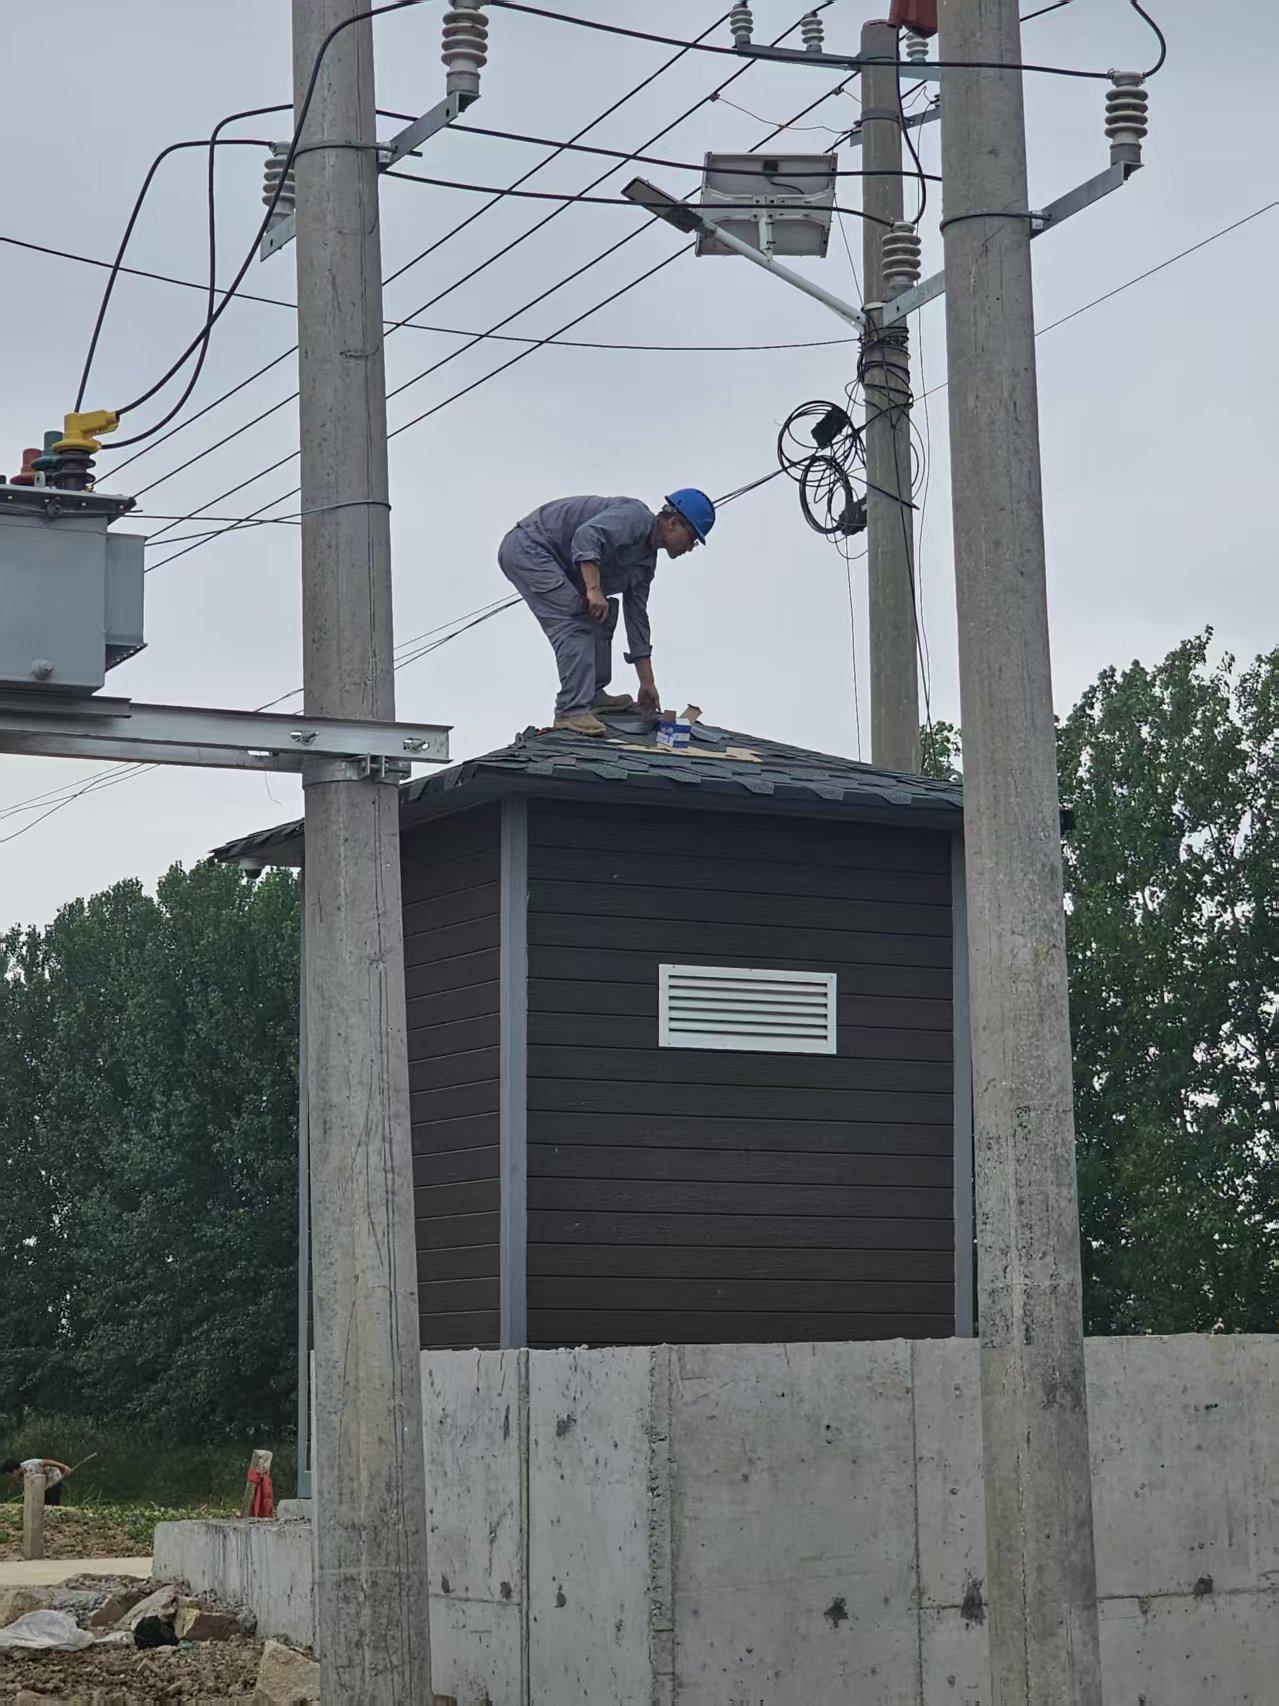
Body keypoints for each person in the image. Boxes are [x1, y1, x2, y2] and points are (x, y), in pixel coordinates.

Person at [498, 488, 716, 736]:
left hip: (556, 561)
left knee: (603, 611)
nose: (691, 547)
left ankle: (591, 695)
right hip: (530, 548)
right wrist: (593, 589)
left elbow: (637, 621)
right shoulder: (636, 518)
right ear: (674, 523)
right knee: (576, 617)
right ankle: (571, 710)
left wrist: (647, 683)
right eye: (692, 538)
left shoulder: (644, 564)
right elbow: (586, 537)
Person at [2, 1456, 72, 1506]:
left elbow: (46, 1462)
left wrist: (64, 1467)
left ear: (14, 1471)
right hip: (42, 1486)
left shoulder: (31, 1465)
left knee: (52, 1503)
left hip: (53, 1479)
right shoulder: (20, 1476)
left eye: (9, 1475)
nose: (10, 1477)